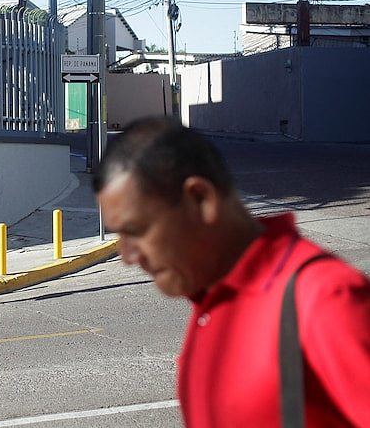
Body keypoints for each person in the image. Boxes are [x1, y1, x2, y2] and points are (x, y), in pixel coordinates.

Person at [93, 117, 370, 428]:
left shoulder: (325, 299)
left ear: (200, 199)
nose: (127, 257)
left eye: (137, 230)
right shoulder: (208, 302)